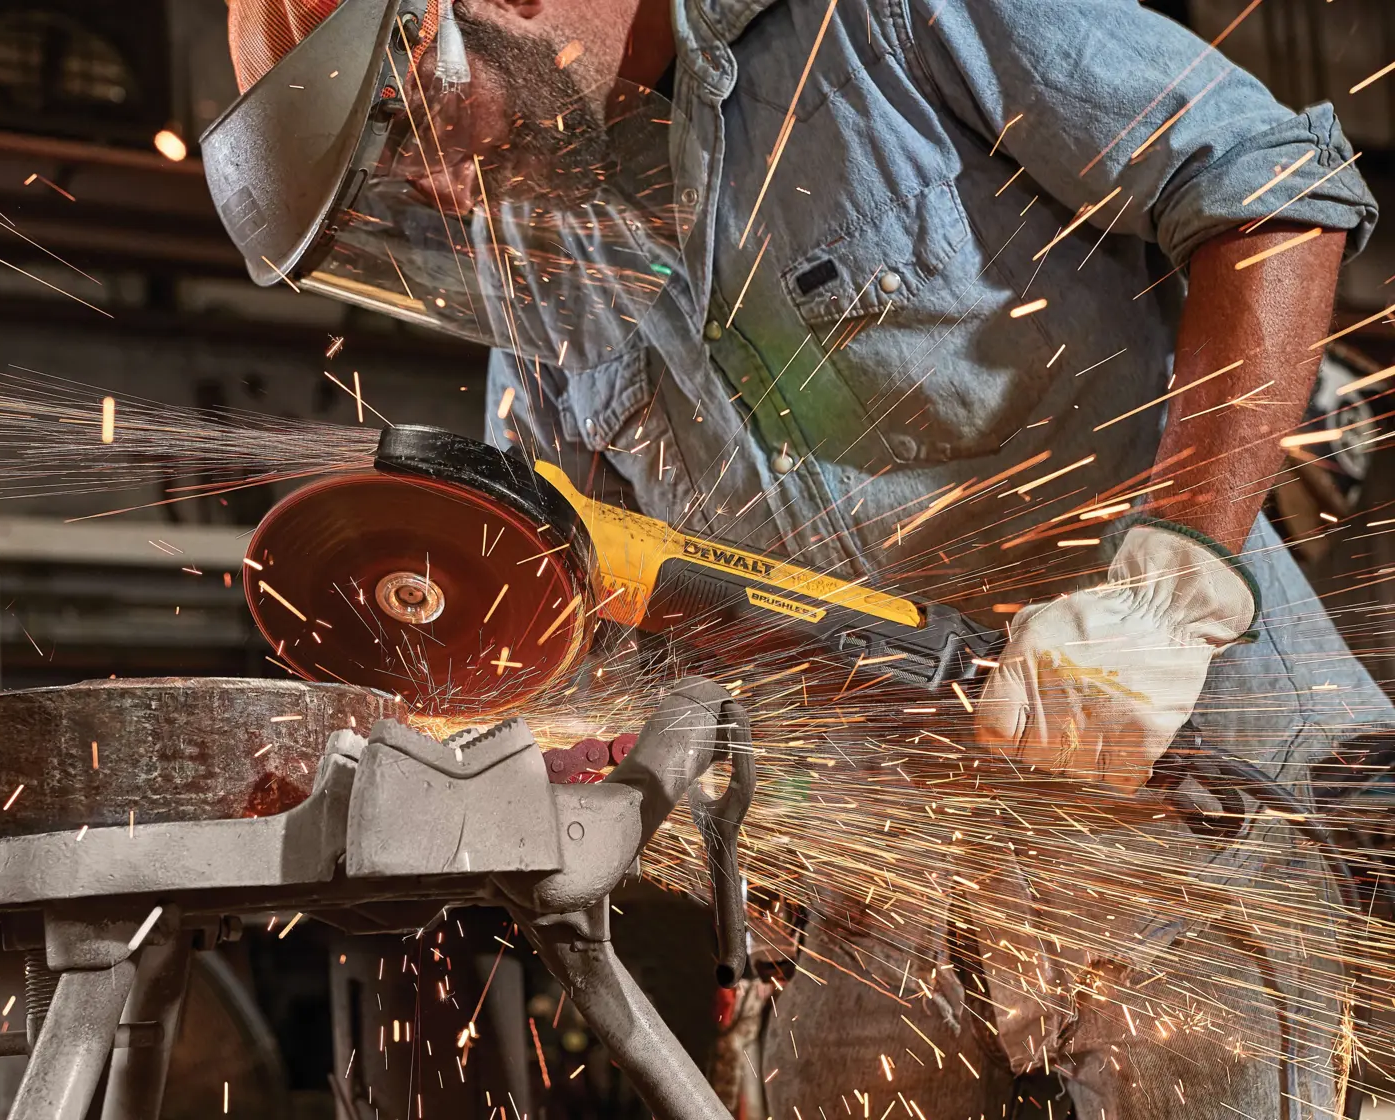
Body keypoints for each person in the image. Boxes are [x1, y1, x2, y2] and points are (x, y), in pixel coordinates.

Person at [203, 1, 1393, 1116]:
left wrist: (1170, 587)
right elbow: (590, 624)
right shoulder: (540, 255)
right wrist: (422, 752)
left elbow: (1270, 186)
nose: (442, 187)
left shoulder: (869, 23)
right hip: (898, 892)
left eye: (413, 124)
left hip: (1200, 814)